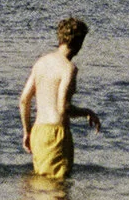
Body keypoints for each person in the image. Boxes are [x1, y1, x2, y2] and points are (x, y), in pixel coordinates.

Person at [19, 15, 101, 180]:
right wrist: (87, 112)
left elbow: (24, 100)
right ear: (79, 43)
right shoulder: (68, 68)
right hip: (56, 133)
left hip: (38, 132)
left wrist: (27, 132)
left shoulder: (41, 63)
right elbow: (62, 107)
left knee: (41, 189)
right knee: (58, 192)